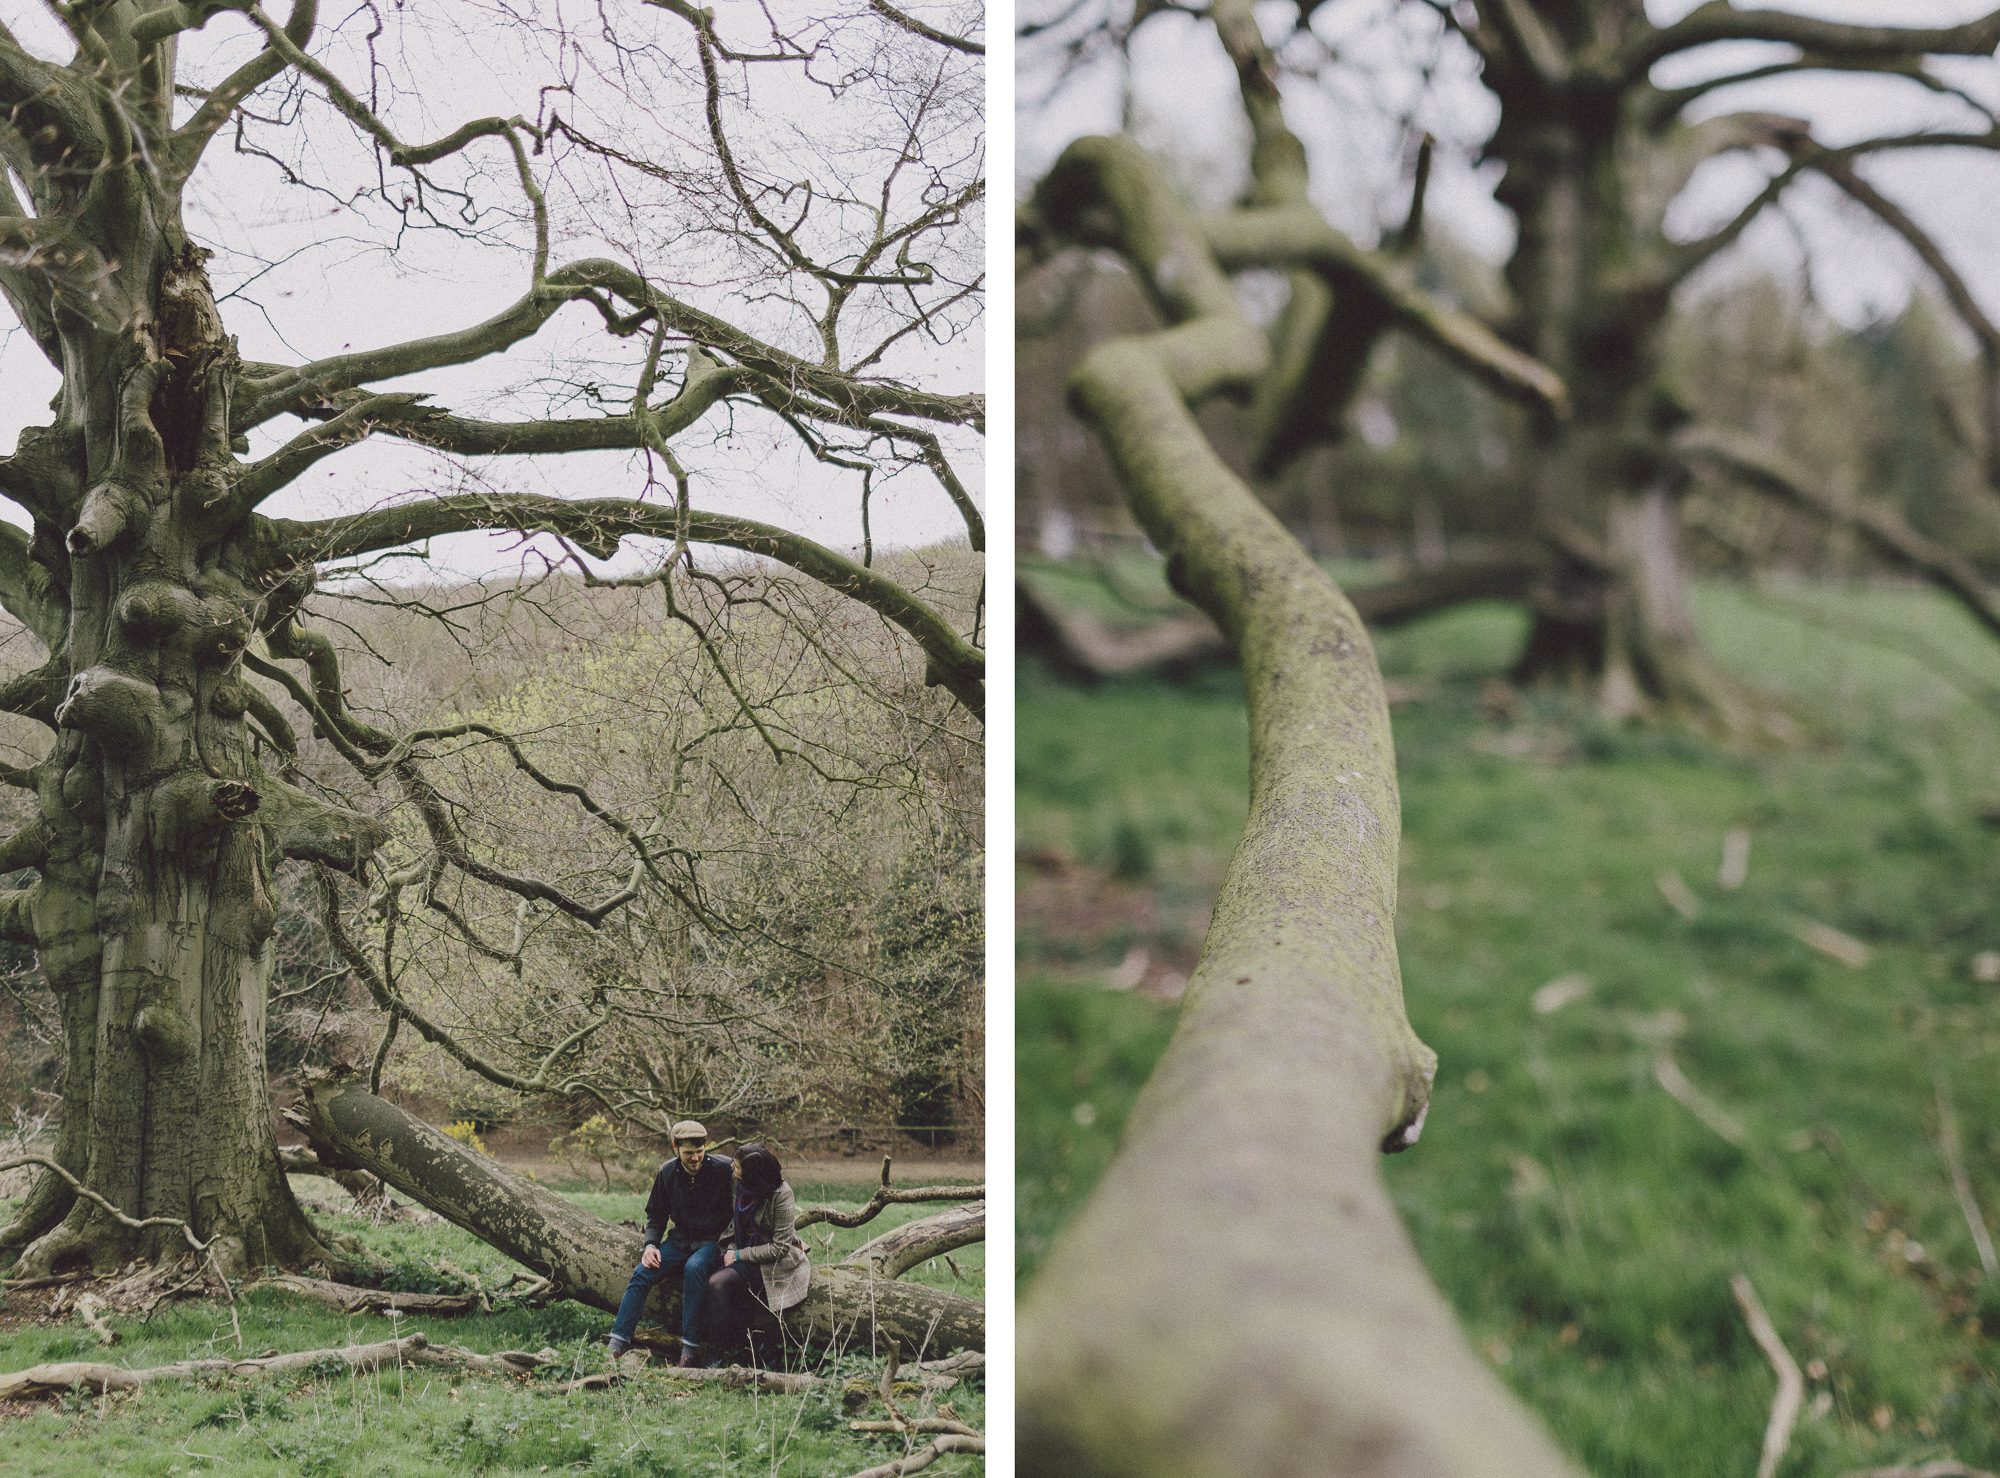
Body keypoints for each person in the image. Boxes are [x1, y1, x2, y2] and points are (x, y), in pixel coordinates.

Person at [606, 1120, 733, 1366]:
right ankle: (618, 1340)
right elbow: (656, 1215)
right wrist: (651, 1245)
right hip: (680, 1240)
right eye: (688, 1153)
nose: (695, 1158)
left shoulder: (724, 1169)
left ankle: (689, 1349)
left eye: (700, 1151)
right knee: (643, 1272)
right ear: (675, 1147)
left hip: (712, 1242)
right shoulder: (666, 1172)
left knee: (694, 1268)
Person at [705, 1142, 811, 1367]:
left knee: (717, 1284)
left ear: (753, 1174)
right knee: (704, 1275)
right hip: (740, 1247)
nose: (733, 1170)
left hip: (770, 1261)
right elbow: (736, 1222)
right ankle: (757, 1345)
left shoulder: (782, 1194)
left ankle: (715, 1358)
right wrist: (732, 1248)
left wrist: (739, 1256)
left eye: (737, 1167)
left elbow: (780, 1248)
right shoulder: (739, 1183)